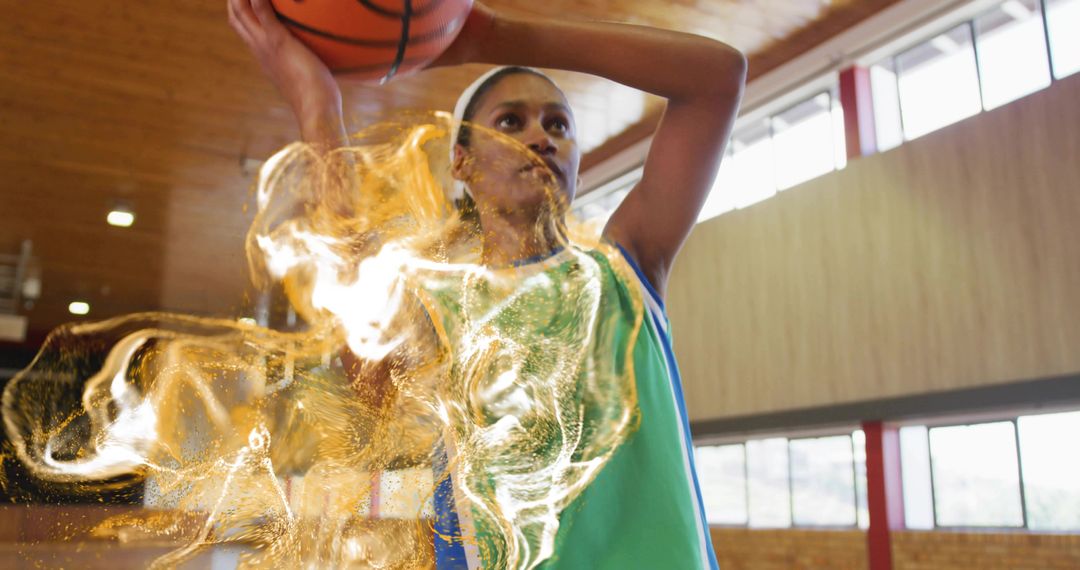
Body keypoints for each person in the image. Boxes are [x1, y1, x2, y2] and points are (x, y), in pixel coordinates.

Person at [227, 0, 746, 568]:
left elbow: (718, 77)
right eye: (510, 121)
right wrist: (319, 105)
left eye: (558, 125)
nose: (541, 137)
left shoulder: (624, 269)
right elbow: (359, 328)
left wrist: (491, 36)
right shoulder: (437, 308)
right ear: (462, 162)